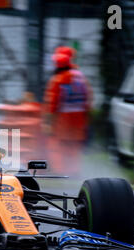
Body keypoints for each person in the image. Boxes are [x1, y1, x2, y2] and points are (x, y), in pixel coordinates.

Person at [43, 48, 92, 176]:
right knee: (75, 148)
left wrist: (48, 122)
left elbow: (52, 103)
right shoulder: (80, 77)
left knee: (58, 146)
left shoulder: (58, 79)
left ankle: (61, 172)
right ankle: (74, 171)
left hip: (63, 121)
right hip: (79, 119)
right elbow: (88, 99)